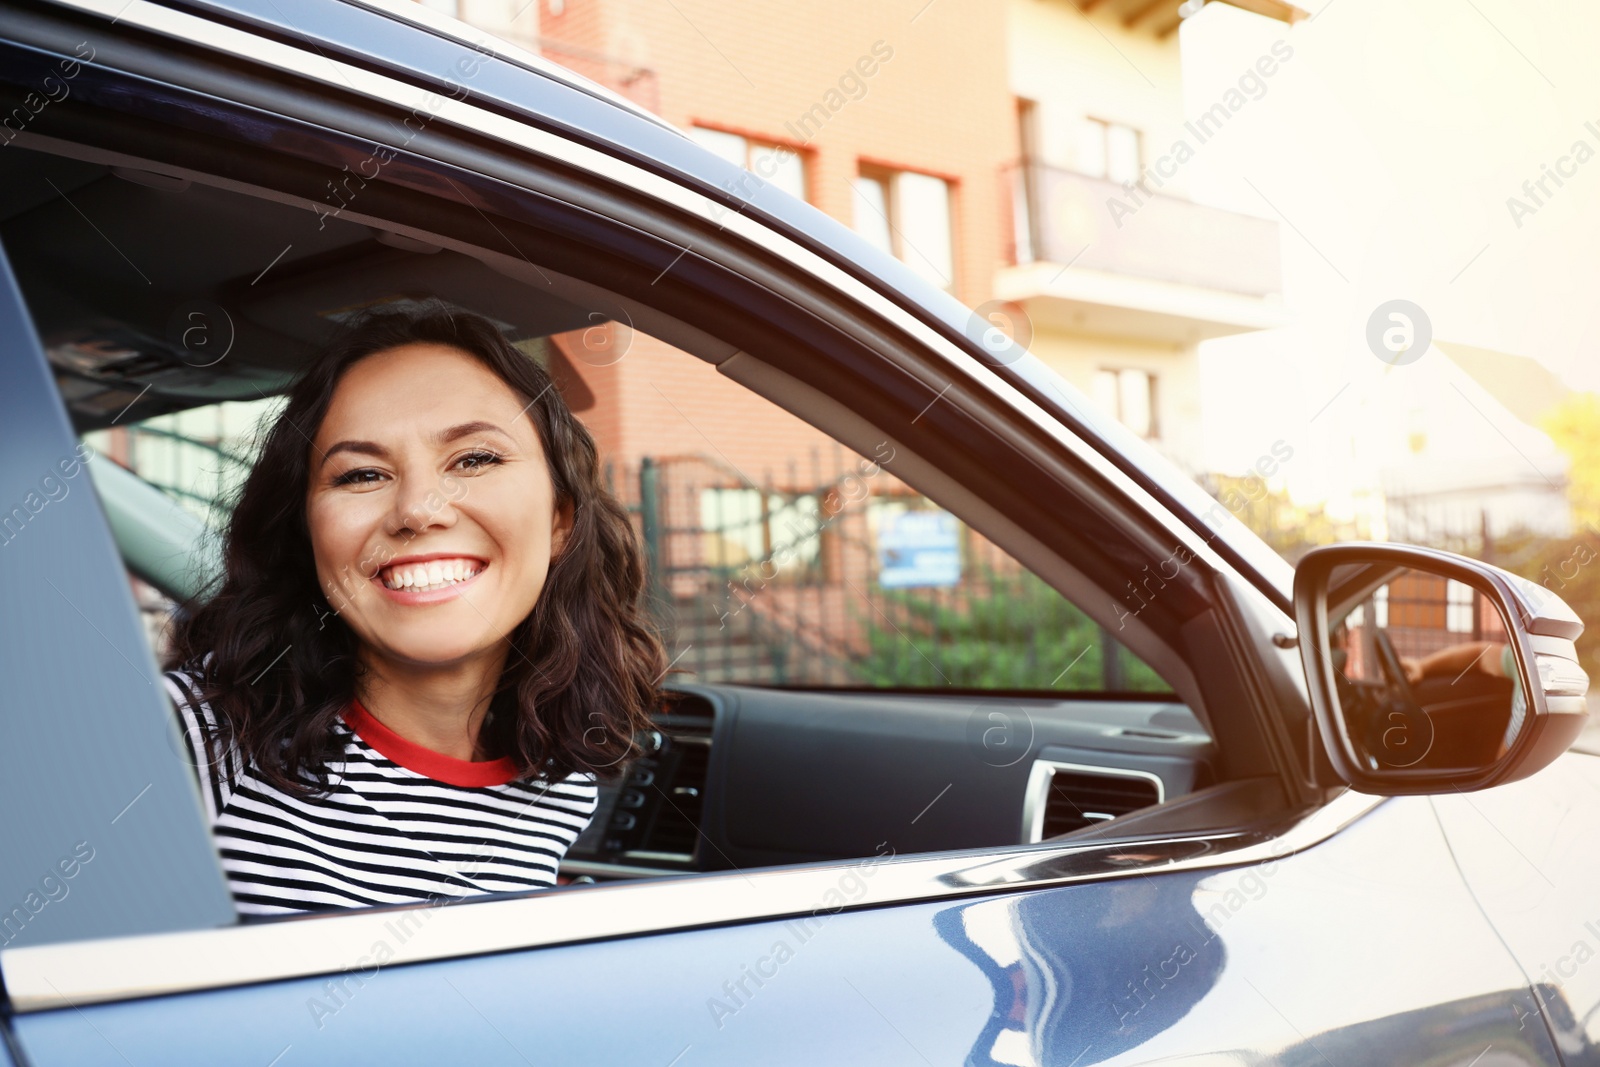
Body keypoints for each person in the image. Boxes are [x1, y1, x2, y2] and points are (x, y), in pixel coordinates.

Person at [162, 305, 664, 915]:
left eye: (475, 459)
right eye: (363, 474)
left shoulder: (561, 785)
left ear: (561, 519)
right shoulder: (181, 737)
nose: (419, 510)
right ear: (307, 532)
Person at [1399, 641, 1525, 756]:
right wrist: (1422, 666)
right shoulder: (1524, 660)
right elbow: (1481, 654)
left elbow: (1505, 768)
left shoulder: (1532, 686)